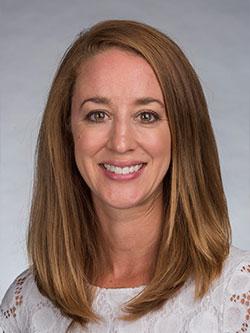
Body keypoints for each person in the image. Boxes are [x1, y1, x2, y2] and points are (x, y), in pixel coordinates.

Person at [0, 19, 249, 333]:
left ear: (181, 132)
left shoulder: (238, 297)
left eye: (147, 116)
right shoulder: (27, 304)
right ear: (68, 130)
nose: (120, 143)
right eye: (97, 115)